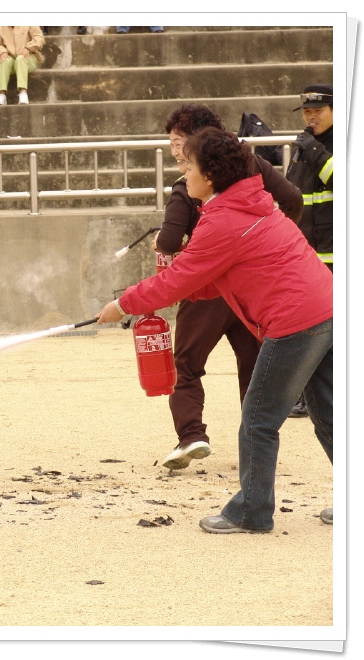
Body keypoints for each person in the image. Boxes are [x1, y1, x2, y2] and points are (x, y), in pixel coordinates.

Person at [96, 127, 333, 534]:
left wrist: (123, 304)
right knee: (329, 411)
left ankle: (251, 512)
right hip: (326, 308)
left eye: (189, 166)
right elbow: (209, 276)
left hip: (296, 321)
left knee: (258, 419)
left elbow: (180, 278)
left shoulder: (222, 219)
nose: (183, 174)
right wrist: (164, 294)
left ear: (210, 176)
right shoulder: (248, 202)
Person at [154, 103, 303, 470]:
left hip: (206, 287)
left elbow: (170, 241)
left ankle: (191, 435)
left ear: (197, 143)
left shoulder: (187, 186)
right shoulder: (251, 166)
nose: (174, 152)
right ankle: (255, 442)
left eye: (178, 143)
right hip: (250, 288)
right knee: (253, 366)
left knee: (186, 365)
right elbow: (293, 200)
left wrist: (163, 241)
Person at [284, 83, 334, 420]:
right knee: (308, 330)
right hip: (306, 258)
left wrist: (317, 153)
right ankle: (305, 394)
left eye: (316, 111)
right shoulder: (303, 147)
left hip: (338, 255)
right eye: (305, 111)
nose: (309, 117)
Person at [0, 26, 44, 105]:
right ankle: (2, 94)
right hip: (11, 57)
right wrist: (2, 52)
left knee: (20, 59)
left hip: (29, 56)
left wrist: (28, 48)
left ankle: (23, 93)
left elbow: (39, 37)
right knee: (4, 61)